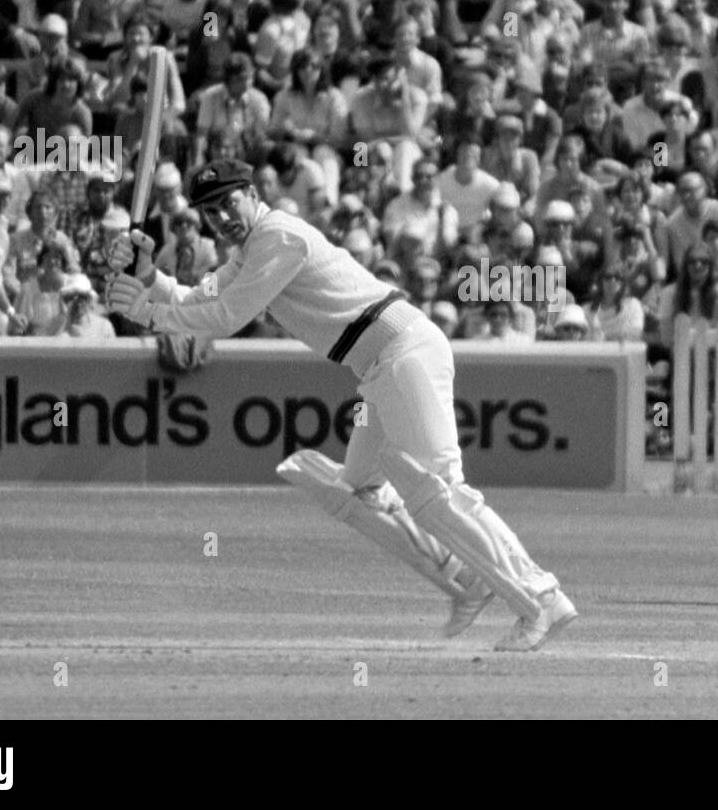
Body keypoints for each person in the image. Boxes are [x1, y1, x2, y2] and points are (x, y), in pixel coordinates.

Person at [105, 159, 577, 651]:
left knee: (441, 492)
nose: (221, 218)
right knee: (357, 491)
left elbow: (225, 317)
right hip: (375, 370)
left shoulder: (278, 236)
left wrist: (144, 312)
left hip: (402, 352)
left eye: (228, 203)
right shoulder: (248, 252)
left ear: (251, 192)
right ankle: (466, 581)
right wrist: (150, 276)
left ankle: (539, 597)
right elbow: (192, 295)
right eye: (211, 212)